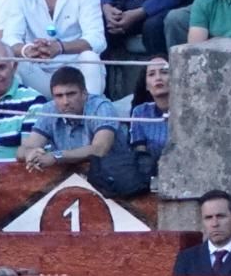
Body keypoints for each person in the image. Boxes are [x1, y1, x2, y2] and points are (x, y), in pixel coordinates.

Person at [17, 64, 144, 195]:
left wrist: (57, 156)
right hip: (70, 186)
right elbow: (22, 150)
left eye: (71, 94)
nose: (65, 101)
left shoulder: (101, 107)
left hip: (114, 184)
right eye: (59, 96)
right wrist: (30, 154)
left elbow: (99, 149)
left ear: (84, 94)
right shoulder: (49, 109)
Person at [5, 0, 107, 97]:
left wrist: (60, 47)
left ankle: (91, 109)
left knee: (90, 57)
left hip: (76, 72)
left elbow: (97, 39)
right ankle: (25, 110)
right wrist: (28, 50)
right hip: (39, 72)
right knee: (15, 62)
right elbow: (9, 39)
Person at [128, 54, 167, 180]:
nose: (158, 78)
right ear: (146, 85)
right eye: (151, 74)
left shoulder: (189, 110)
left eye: (164, 72)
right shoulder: (140, 112)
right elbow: (141, 155)